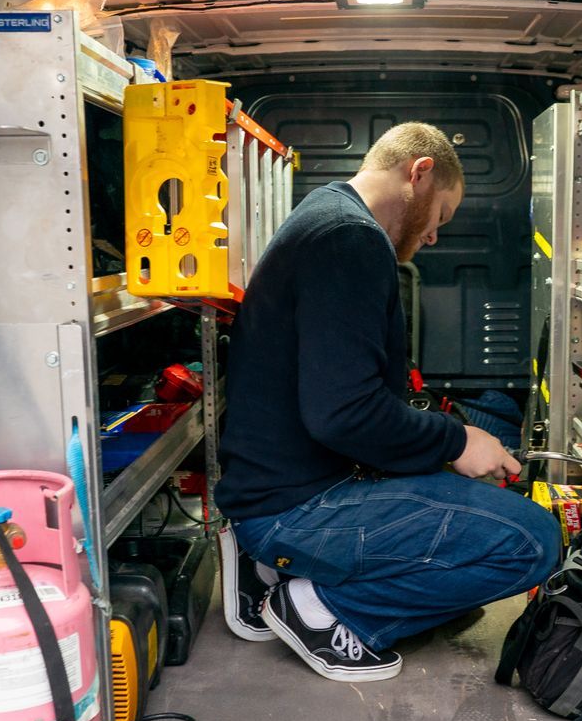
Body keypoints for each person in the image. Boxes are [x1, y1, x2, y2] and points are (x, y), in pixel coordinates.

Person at [214, 122, 561, 681]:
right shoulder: (349, 240)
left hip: (282, 487)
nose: (434, 239)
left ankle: (267, 570)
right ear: (419, 173)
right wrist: (458, 440)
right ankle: (321, 609)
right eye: (440, 217)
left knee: (461, 574)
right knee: (531, 542)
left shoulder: (326, 216)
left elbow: (344, 401)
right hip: (297, 505)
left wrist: (441, 454)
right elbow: (343, 414)